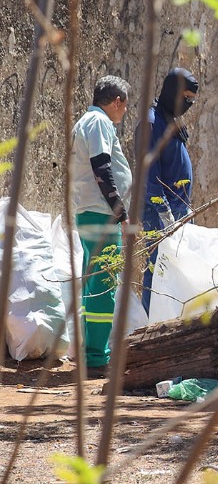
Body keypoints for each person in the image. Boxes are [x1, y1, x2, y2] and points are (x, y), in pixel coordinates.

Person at [71, 75, 133, 376]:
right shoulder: (98, 122)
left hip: (91, 212)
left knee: (93, 283)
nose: (124, 113)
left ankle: (90, 354)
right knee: (103, 285)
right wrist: (120, 211)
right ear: (117, 102)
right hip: (101, 214)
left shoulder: (87, 121)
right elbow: (102, 168)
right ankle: (97, 358)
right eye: (125, 106)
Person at [142, 67, 200, 311]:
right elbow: (149, 172)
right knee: (158, 269)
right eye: (185, 98)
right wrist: (164, 211)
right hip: (160, 212)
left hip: (179, 208)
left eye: (192, 100)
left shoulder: (167, 122)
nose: (188, 104)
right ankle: (150, 323)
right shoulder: (151, 123)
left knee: (179, 271)